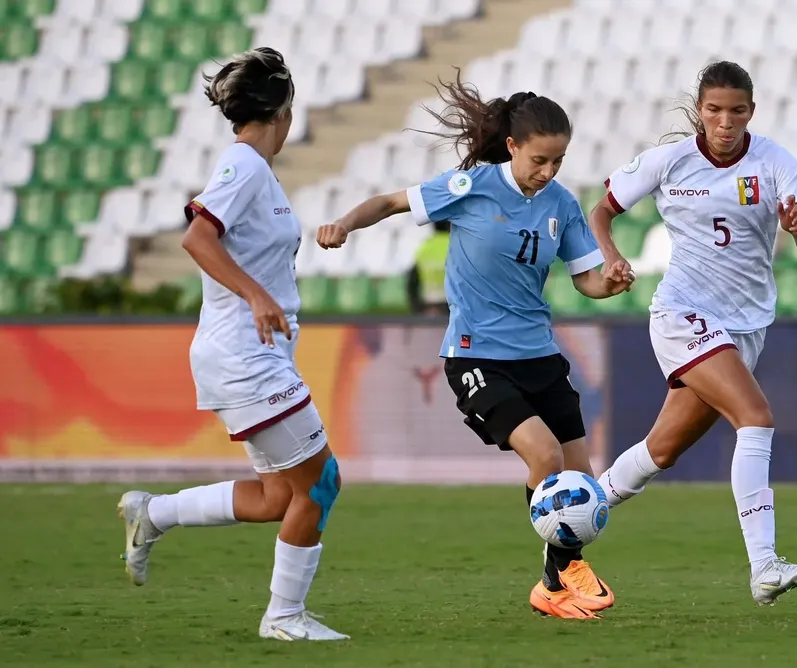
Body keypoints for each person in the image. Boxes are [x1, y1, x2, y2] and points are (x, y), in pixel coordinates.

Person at [315, 70, 634, 620]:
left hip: (540, 356)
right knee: (546, 457)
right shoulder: (472, 187)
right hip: (477, 355)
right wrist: (343, 225)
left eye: (558, 161)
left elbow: (586, 279)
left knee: (582, 480)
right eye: (539, 159)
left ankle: (554, 581)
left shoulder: (561, 204)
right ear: (511, 146)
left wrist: (611, 280)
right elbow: (390, 202)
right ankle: (561, 575)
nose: (548, 171)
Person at [116, 47, 349, 642]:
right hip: (244, 356)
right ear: (283, 111)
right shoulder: (243, 165)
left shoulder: (257, 171)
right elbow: (198, 238)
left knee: (278, 498)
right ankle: (284, 617)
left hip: (256, 354)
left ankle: (153, 513)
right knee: (321, 483)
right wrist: (256, 295)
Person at [589, 61, 797, 607]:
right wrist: (611, 257)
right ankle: (764, 566)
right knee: (756, 417)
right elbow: (600, 213)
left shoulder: (775, 162)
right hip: (683, 313)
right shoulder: (669, 161)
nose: (725, 121)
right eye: (714, 110)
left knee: (661, 450)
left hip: (746, 325)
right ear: (700, 110)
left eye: (736, 111)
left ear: (751, 112)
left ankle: (571, 523)